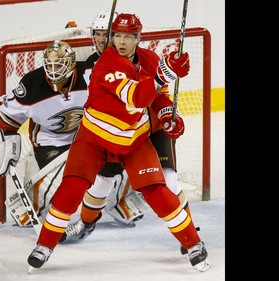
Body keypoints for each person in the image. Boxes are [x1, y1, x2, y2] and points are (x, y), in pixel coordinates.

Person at [27, 13, 211, 272]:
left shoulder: (150, 60)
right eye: (117, 35)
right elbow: (136, 97)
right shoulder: (106, 64)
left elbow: (157, 97)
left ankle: (194, 244)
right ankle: (44, 245)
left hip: (133, 139)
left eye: (127, 36)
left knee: (158, 191)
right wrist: (164, 74)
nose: (121, 41)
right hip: (94, 138)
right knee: (71, 189)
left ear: (138, 38)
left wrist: (168, 114)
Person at [0, 39, 128, 224]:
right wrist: (4, 137)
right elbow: (5, 114)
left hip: (86, 139)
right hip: (50, 141)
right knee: (66, 180)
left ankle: (116, 202)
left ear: (70, 64)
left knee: (116, 165)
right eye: (50, 66)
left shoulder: (89, 75)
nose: (54, 72)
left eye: (59, 66)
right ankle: (33, 207)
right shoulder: (32, 85)